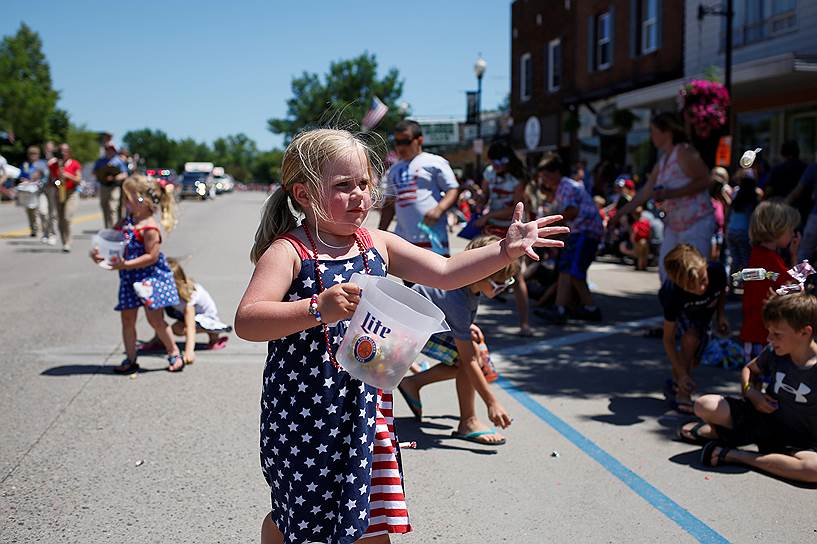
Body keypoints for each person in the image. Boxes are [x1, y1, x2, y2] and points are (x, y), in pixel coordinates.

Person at [234, 128, 567, 544]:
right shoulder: (289, 251)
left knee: (371, 522)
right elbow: (248, 320)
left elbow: (445, 272)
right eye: (343, 186)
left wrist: (505, 250)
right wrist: (317, 308)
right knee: (297, 519)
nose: (359, 194)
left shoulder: (378, 243)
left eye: (364, 184)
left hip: (366, 409)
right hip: (307, 413)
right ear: (303, 194)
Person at [679, 291, 817, 483]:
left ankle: (735, 455)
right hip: (764, 423)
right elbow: (749, 369)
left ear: (804, 332)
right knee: (704, 405)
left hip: (802, 442)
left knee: (814, 470)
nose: (769, 339)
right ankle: (715, 432)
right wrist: (751, 393)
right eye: (769, 332)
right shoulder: (776, 352)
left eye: (776, 334)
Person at [396, 235, 519, 446]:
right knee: (469, 360)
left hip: (421, 325)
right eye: (498, 284)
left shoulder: (469, 285)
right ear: (481, 273)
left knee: (471, 354)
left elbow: (446, 311)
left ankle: (412, 383)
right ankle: (468, 422)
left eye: (508, 282)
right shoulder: (458, 299)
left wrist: (466, 328)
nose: (504, 287)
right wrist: (492, 403)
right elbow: (469, 359)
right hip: (408, 331)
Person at [90, 174, 182, 373]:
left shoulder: (149, 227)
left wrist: (126, 264)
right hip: (128, 279)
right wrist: (98, 253)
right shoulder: (127, 222)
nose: (125, 203)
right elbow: (111, 241)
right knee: (127, 320)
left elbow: (152, 256)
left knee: (155, 320)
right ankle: (131, 359)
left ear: (143, 200)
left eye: (128, 198)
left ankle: (174, 351)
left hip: (148, 279)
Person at [611, 112, 714, 281]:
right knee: (666, 274)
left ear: (667, 131)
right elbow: (644, 193)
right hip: (675, 225)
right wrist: (620, 213)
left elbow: (705, 180)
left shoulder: (684, 151)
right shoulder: (664, 160)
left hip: (696, 222)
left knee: (694, 275)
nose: (651, 136)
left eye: (653, 131)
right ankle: (675, 307)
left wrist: (670, 194)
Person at [535, 152, 604, 324]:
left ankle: (589, 308)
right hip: (581, 231)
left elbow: (572, 212)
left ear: (556, 172)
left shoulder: (566, 187)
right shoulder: (564, 187)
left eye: (546, 176)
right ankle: (561, 308)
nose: (545, 181)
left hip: (585, 231)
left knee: (573, 271)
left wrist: (551, 225)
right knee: (567, 271)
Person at [659, 244, 729, 414]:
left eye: (703, 281)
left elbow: (720, 293)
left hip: (704, 315)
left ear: (705, 266)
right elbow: (668, 339)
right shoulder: (671, 293)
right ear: (679, 283)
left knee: (694, 359)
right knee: (690, 340)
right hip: (685, 315)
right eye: (692, 287)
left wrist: (721, 315)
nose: (701, 289)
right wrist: (683, 373)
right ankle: (682, 393)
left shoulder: (717, 272)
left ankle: (677, 383)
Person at [378, 120, 459, 258]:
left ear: (419, 140)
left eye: (405, 142)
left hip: (432, 237)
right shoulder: (394, 170)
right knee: (408, 279)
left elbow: (453, 189)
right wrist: (380, 234)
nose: (400, 147)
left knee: (437, 278)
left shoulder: (434, 162)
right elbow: (389, 204)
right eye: (397, 142)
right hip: (404, 239)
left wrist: (439, 209)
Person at [475, 141, 533, 336]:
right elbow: (485, 197)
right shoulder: (489, 173)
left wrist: (488, 215)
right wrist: (478, 198)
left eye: (498, 161)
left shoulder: (518, 177)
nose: (495, 165)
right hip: (492, 229)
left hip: (513, 230)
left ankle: (524, 324)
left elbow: (516, 206)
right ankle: (469, 323)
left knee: (517, 277)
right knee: (479, 273)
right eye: (492, 161)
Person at [138, 257, 232, 364]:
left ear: (176, 283)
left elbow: (190, 327)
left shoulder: (188, 297)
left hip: (207, 319)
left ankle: (215, 332)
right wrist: (157, 339)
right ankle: (159, 340)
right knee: (167, 324)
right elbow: (159, 320)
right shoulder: (167, 293)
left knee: (177, 329)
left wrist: (189, 352)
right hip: (186, 316)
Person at [739, 201, 800, 363]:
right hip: (764, 334)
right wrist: (795, 257)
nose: (793, 234)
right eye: (790, 229)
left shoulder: (756, 256)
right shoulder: (772, 261)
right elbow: (795, 289)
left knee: (753, 379)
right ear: (777, 229)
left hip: (752, 330)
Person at [46, 143, 82, 252]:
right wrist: (58, 182)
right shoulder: (53, 165)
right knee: (60, 220)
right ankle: (64, 241)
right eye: (61, 151)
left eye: (65, 151)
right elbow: (52, 181)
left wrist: (67, 175)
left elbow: (79, 179)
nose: (63, 153)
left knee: (67, 217)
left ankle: (68, 242)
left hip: (71, 193)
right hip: (60, 192)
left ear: (69, 152)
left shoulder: (74, 164)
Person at [725, 168, 760, 276]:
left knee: (734, 260)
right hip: (744, 233)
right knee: (746, 261)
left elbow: (728, 213)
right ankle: (747, 286)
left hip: (731, 231)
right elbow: (752, 218)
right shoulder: (753, 197)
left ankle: (731, 286)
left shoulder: (736, 194)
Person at [764, 140, 808, 213]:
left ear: (782, 153)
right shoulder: (806, 168)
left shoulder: (777, 169)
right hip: (802, 208)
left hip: (780, 207)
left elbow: (769, 189)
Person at [786, 162, 817, 262]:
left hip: (815, 217)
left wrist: (782, 205)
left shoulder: (814, 167)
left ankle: (800, 277)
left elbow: (798, 190)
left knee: (804, 254)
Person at [93, 143, 128, 228]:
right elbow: (94, 172)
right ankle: (107, 228)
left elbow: (124, 174)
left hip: (114, 186)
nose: (109, 151)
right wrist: (101, 175)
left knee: (112, 207)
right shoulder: (100, 161)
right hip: (103, 186)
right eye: (107, 149)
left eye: (111, 149)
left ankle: (114, 229)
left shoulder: (118, 161)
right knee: (105, 208)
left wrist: (115, 177)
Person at [17, 146, 49, 238]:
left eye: (35, 154)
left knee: (43, 210)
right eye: (31, 154)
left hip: (41, 190)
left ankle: (45, 229)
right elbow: (21, 175)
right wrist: (23, 180)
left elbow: (48, 176)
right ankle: (34, 229)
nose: (33, 156)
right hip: (29, 191)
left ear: (38, 155)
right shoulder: (25, 165)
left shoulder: (42, 164)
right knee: (30, 211)